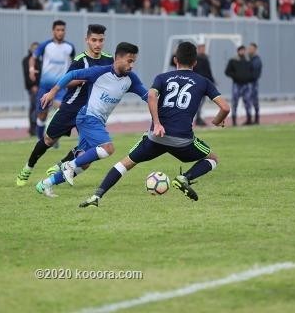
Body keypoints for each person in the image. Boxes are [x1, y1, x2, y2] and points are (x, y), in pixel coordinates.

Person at [79, 41, 230, 207]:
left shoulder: (162, 77)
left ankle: (96, 196)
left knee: (126, 163)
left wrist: (157, 123)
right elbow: (225, 107)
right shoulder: (203, 81)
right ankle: (185, 178)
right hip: (183, 140)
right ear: (195, 62)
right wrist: (217, 121)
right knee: (213, 159)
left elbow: (151, 96)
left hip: (156, 136)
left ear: (175, 60)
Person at [35, 42, 148, 197]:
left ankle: (45, 184)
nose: (132, 65)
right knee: (108, 149)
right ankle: (69, 164)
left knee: (85, 163)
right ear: (118, 58)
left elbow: (147, 96)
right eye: (129, 61)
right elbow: (72, 75)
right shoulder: (99, 72)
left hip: (96, 121)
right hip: (87, 117)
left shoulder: (131, 79)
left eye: (134, 61)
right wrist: (53, 92)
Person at [15, 24, 113, 186]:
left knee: (90, 150)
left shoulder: (109, 59)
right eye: (94, 40)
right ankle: (28, 167)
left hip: (91, 111)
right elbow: (67, 81)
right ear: (87, 40)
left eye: (101, 40)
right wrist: (84, 78)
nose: (97, 44)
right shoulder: (80, 60)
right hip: (71, 107)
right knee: (48, 140)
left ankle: (60, 166)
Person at [29, 20, 75, 140]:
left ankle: (52, 135)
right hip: (45, 86)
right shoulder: (45, 45)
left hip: (61, 86)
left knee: (62, 109)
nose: (60, 32)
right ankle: (40, 139)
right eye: (58, 30)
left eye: (62, 30)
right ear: (53, 31)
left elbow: (75, 63)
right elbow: (32, 58)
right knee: (42, 115)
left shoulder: (69, 47)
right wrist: (31, 69)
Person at [225, 45, 253, 126]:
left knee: (248, 102)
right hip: (237, 85)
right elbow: (227, 72)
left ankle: (249, 119)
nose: (242, 52)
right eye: (241, 50)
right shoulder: (233, 60)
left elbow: (252, 71)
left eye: (244, 50)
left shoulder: (248, 61)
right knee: (235, 103)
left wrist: (249, 77)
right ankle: (234, 121)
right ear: (238, 51)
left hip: (246, 85)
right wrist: (235, 76)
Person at [193, 40, 215, 126]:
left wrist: (212, 81)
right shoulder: (195, 59)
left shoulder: (205, 58)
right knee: (198, 102)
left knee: (200, 102)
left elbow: (208, 71)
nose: (203, 49)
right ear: (198, 49)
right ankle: (197, 119)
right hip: (197, 84)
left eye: (203, 48)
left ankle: (198, 118)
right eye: (201, 48)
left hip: (204, 83)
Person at [22, 42, 40, 137]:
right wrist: (32, 85)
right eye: (34, 48)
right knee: (34, 108)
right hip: (33, 88)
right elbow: (27, 74)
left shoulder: (39, 60)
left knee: (38, 107)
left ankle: (36, 127)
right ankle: (33, 128)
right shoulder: (27, 60)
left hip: (40, 87)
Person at [247, 42, 262, 125]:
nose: (249, 50)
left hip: (253, 84)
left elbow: (255, 74)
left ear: (255, 49)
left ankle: (256, 119)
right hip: (248, 84)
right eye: (249, 48)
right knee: (248, 101)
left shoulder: (256, 60)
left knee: (254, 101)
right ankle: (249, 119)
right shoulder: (249, 59)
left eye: (251, 49)